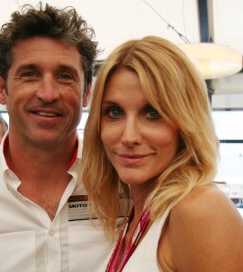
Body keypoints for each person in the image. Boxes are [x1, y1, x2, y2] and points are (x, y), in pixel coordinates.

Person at [0, 2, 114, 271]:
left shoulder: (122, 183)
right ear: (2, 89)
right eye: (30, 74)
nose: (48, 93)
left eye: (65, 76)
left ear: (86, 92)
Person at [81, 36, 243, 271]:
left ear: (186, 122)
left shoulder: (199, 208)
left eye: (153, 113)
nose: (129, 137)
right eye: (114, 112)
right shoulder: (135, 212)